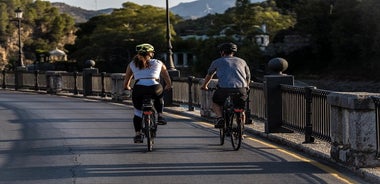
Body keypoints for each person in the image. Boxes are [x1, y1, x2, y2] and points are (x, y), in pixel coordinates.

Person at [124, 43, 172, 143]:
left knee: (137, 111)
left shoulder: (132, 64)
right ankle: (160, 115)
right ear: (150, 54)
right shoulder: (158, 62)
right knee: (159, 97)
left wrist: (127, 87)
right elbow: (166, 76)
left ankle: (138, 134)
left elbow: (127, 79)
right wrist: (168, 85)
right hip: (155, 87)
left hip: (139, 88)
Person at [200, 42, 251, 128]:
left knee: (216, 103)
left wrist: (204, 85)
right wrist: (247, 86)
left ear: (222, 52)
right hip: (241, 89)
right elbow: (248, 76)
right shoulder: (242, 61)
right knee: (240, 109)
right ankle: (241, 130)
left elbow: (209, 74)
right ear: (233, 52)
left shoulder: (217, 62)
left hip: (224, 89)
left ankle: (220, 118)